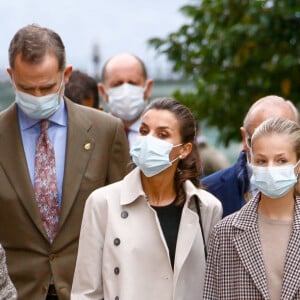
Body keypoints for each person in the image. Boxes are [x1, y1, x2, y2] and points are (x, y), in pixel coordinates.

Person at [0, 24, 130, 300]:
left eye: (46, 87)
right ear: (11, 76)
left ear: (66, 75)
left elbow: (124, 220)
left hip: (88, 290)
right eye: (26, 88)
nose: (37, 97)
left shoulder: (106, 131)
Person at [71, 97, 222, 300]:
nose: (149, 140)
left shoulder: (206, 206)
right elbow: (86, 292)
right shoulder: (103, 202)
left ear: (185, 149)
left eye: (162, 134)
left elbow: (213, 286)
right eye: (144, 131)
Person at [204, 117, 300, 299]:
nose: (271, 168)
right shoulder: (224, 233)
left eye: (281, 161)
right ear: (251, 162)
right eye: (262, 161)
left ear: (298, 166)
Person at [201, 95, 299, 217]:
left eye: (283, 136)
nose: (270, 146)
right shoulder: (208, 191)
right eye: (257, 138)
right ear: (244, 138)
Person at [98, 53, 153, 148]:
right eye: (117, 84)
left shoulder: (161, 137)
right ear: (103, 92)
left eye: (133, 83)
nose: (126, 90)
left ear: (148, 88)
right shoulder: (94, 135)